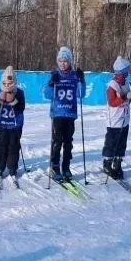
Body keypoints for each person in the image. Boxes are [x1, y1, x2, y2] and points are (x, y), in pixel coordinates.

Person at [43, 46, 85, 181]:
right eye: (60, 61)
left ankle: (66, 167)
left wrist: (82, 80)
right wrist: (51, 82)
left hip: (70, 113)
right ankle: (54, 166)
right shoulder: (55, 75)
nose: (63, 63)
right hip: (58, 113)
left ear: (70, 61)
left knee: (68, 142)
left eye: (66, 61)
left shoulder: (74, 75)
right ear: (57, 61)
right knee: (57, 141)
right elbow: (47, 95)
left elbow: (81, 94)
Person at [103, 56, 131, 179]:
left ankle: (117, 163)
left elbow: (130, 97)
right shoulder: (112, 85)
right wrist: (125, 97)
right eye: (125, 72)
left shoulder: (127, 83)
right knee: (112, 143)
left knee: (122, 143)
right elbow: (112, 102)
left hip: (125, 120)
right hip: (114, 121)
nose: (127, 74)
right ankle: (107, 162)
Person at [0, 66, 26, 180]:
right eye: (5, 83)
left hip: (16, 125)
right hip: (3, 124)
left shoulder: (19, 93)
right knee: (2, 146)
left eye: (10, 83)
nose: (7, 85)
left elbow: (21, 108)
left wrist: (13, 100)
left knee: (14, 146)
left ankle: (12, 167)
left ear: (14, 83)